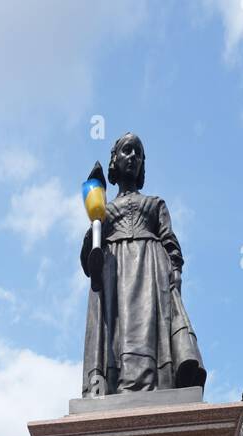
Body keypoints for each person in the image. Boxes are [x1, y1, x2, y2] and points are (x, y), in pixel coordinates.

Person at [81, 132, 206, 397]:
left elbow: (170, 241)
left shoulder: (155, 204)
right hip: (115, 273)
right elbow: (89, 259)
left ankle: (156, 384)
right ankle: (116, 385)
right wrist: (94, 228)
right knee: (119, 332)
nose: (133, 157)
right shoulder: (105, 210)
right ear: (115, 159)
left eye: (139, 153)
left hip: (151, 270)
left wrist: (176, 271)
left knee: (148, 331)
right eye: (127, 151)